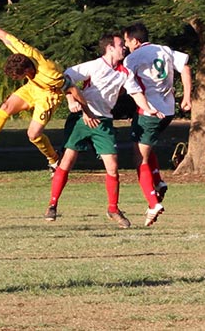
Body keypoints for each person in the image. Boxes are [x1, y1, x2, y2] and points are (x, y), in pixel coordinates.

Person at [0, 11, 65, 173]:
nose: (15, 79)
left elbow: (69, 86)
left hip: (50, 94)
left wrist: (72, 101)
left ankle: (54, 159)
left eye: (18, 76)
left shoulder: (49, 72)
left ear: (28, 69)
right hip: (33, 87)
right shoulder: (24, 51)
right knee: (6, 107)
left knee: (34, 135)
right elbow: (3, 35)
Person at [45, 33, 132, 228]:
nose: (123, 48)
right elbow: (65, 77)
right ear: (109, 48)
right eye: (120, 45)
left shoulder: (124, 72)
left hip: (103, 122)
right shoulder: (94, 65)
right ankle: (52, 205)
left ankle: (113, 209)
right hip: (81, 119)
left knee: (113, 166)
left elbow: (127, 90)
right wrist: (70, 100)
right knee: (67, 161)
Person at [122, 22, 192, 227]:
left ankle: (153, 203)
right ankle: (159, 181)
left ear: (135, 40)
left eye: (126, 41)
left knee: (138, 157)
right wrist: (186, 97)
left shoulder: (133, 58)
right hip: (168, 110)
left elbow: (125, 81)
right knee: (145, 145)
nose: (126, 45)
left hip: (149, 112)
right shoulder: (165, 50)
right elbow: (185, 67)